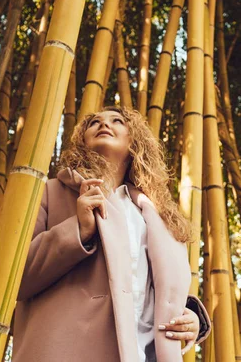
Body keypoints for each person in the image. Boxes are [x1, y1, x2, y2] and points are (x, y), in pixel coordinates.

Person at [13, 106, 210, 362]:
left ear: (134, 141)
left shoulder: (159, 215)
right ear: (82, 142)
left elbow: (145, 290)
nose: (104, 124)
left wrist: (190, 316)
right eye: (94, 122)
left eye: (117, 121)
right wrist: (78, 231)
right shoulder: (50, 193)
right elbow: (14, 279)